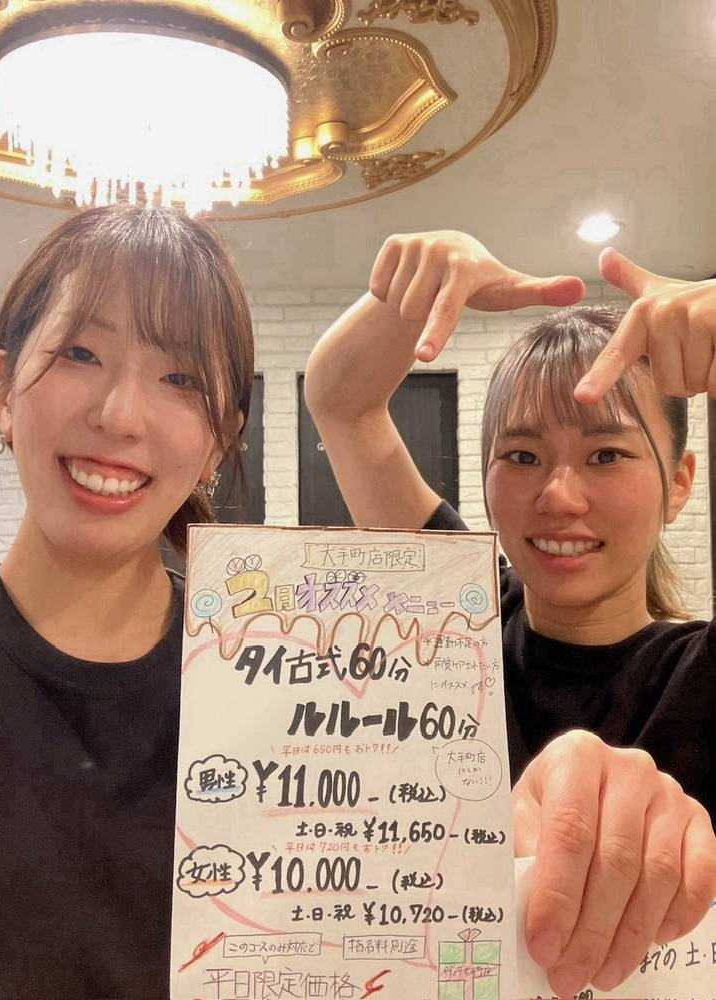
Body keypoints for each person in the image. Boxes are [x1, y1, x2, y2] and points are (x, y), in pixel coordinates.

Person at [304, 230, 716, 998]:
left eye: (606, 455)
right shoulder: (453, 617)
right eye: (522, 457)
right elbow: (340, 401)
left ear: (680, 481)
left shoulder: (701, 674)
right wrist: (416, 288)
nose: (558, 495)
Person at [0, 204, 253, 999]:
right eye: (81, 352)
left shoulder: (272, 685)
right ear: (5, 393)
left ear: (221, 439)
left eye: (179, 378)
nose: (119, 415)